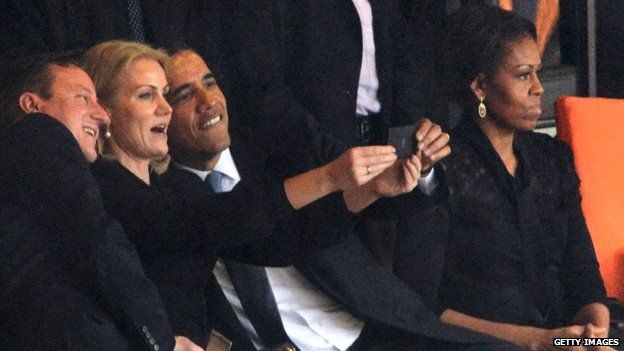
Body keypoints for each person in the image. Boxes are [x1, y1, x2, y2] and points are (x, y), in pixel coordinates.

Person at [163, 48, 525, 351]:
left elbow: (360, 202)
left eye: (209, 83)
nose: (207, 101)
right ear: (161, 116)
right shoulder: (159, 203)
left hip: (369, 327)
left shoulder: (278, 147)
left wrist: (416, 171)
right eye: (183, 95)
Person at [82, 40, 428, 349]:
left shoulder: (173, 187)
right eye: (149, 95)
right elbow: (213, 224)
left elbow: (274, 241)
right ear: (104, 112)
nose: (165, 108)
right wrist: (328, 176)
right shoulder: (105, 191)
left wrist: (368, 190)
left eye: (164, 94)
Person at [393, 5, 612, 351]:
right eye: (524, 75)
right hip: (483, 345)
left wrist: (597, 332)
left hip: (566, 338)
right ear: (480, 86)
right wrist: (537, 342)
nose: (539, 88)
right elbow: (420, 306)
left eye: (539, 73)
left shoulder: (553, 158)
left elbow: (583, 274)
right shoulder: (442, 169)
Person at [0, 53, 177, 351]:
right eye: (83, 98)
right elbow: (98, 241)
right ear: (33, 106)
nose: (102, 115)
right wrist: (162, 341)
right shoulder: (37, 134)